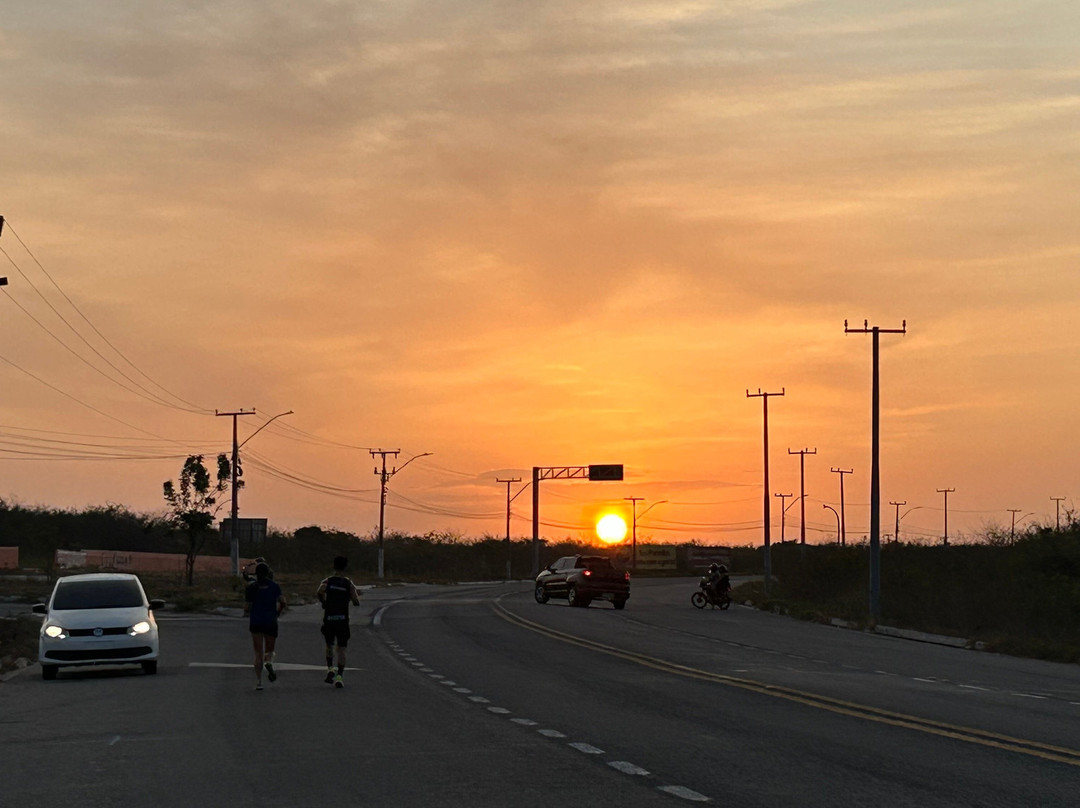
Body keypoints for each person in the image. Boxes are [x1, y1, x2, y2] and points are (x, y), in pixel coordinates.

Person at [316, 556, 361, 689]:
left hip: (329, 619)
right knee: (341, 649)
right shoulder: (348, 583)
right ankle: (339, 677)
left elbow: (319, 591)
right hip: (343, 620)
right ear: (345, 567)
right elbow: (356, 601)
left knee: (329, 645)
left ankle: (330, 669)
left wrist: (324, 602)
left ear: (334, 566)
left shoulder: (327, 581)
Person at [244, 562, 286, 691]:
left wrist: (250, 611)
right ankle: (269, 662)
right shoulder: (274, 586)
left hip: (256, 622)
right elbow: (283, 602)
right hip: (270, 621)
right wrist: (278, 612)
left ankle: (259, 682)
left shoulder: (252, 587)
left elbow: (247, 607)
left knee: (258, 653)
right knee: (269, 651)